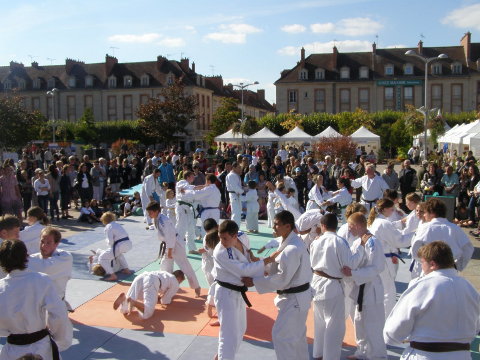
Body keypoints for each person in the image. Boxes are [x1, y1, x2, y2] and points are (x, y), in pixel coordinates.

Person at [384, 241, 480, 360]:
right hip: (462, 355)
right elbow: (476, 327)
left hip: (425, 354)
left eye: (422, 262)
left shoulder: (423, 287)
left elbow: (393, 332)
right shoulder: (470, 288)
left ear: (432, 264)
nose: (421, 267)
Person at [243, 211, 312, 360]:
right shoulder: (288, 242)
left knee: (281, 336)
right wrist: (259, 263)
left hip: (295, 299)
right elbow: (277, 265)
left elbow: (282, 279)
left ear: (287, 226)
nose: (273, 227)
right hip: (298, 297)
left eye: (276, 224)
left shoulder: (292, 249)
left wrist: (254, 281)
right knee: (297, 336)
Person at [212, 220, 276, 360]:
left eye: (225, 238)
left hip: (237, 292)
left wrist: (252, 256)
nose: (222, 241)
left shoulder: (243, 236)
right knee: (228, 334)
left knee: (240, 330)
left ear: (235, 236)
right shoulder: (221, 252)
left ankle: (220, 357)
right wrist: (265, 262)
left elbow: (247, 251)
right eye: (220, 237)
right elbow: (243, 270)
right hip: (225, 293)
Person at [0, 239, 72, 359]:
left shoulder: (1, 287)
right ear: (26, 257)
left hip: (12, 351)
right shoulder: (41, 280)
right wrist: (61, 340)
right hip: (42, 348)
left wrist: (7, 330)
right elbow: (59, 313)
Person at [310, 213, 365, 360]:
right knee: (334, 326)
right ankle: (330, 357)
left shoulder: (316, 241)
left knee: (319, 322)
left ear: (322, 226)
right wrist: (361, 248)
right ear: (337, 225)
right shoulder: (339, 242)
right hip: (332, 285)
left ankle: (318, 354)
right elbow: (349, 264)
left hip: (315, 283)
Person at [341, 212, 387, 360]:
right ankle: (362, 352)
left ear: (358, 226)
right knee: (359, 322)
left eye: (350, 226)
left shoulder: (373, 242)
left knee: (373, 325)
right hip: (359, 289)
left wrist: (353, 273)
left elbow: (376, 268)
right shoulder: (357, 242)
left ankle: (378, 356)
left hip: (370, 290)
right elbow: (351, 261)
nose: (349, 230)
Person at [367, 198, 415, 318]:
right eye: (392, 209)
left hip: (375, 259)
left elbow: (390, 228)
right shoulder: (384, 223)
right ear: (385, 209)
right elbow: (399, 241)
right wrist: (417, 234)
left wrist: (401, 222)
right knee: (389, 292)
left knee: (379, 289)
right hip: (384, 260)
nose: (393, 212)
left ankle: (378, 316)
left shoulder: (375, 221)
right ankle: (386, 319)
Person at [146, 201, 201, 296]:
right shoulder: (158, 219)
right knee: (164, 267)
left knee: (185, 266)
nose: (149, 215)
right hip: (168, 245)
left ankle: (196, 287)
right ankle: (165, 288)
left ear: (156, 211)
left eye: (150, 213)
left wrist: (170, 250)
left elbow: (170, 236)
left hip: (175, 244)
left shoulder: (164, 220)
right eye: (148, 213)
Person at [410, 198, 474, 279]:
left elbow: (415, 250)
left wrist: (425, 262)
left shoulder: (424, 228)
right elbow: (468, 249)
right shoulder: (455, 229)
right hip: (450, 272)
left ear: (432, 213)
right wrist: (458, 265)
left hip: (430, 271)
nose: (424, 215)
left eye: (425, 212)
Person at [28, 227, 73, 309]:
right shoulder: (33, 258)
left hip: (56, 306)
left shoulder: (65, 257)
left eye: (48, 243)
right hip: (35, 306)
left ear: (56, 244)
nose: (43, 245)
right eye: (42, 241)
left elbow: (45, 268)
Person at [113, 270, 185, 320]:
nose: (179, 284)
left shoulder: (165, 274)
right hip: (151, 281)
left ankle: (124, 298)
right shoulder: (175, 282)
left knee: (125, 310)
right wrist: (162, 299)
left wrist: (158, 296)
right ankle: (133, 301)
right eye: (180, 282)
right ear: (178, 278)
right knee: (148, 312)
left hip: (141, 277)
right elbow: (165, 301)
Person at [95, 212, 133, 281]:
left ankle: (113, 275)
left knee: (102, 258)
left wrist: (108, 244)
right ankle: (126, 269)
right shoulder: (117, 224)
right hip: (128, 244)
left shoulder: (108, 227)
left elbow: (110, 241)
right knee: (118, 254)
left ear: (104, 220)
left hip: (120, 245)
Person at [176, 171, 200, 254]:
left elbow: (194, 189)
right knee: (181, 228)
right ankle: (177, 248)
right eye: (192, 176)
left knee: (191, 229)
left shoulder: (189, 186)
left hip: (189, 208)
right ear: (188, 176)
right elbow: (184, 188)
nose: (193, 178)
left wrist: (204, 187)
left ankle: (191, 249)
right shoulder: (181, 182)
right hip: (182, 208)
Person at [226, 162, 244, 227]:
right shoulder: (231, 175)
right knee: (235, 212)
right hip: (234, 194)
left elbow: (238, 187)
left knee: (238, 211)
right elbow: (235, 187)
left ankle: (236, 227)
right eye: (239, 168)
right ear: (234, 168)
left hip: (237, 194)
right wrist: (243, 191)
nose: (240, 169)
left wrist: (243, 189)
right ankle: (234, 227)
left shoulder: (236, 175)